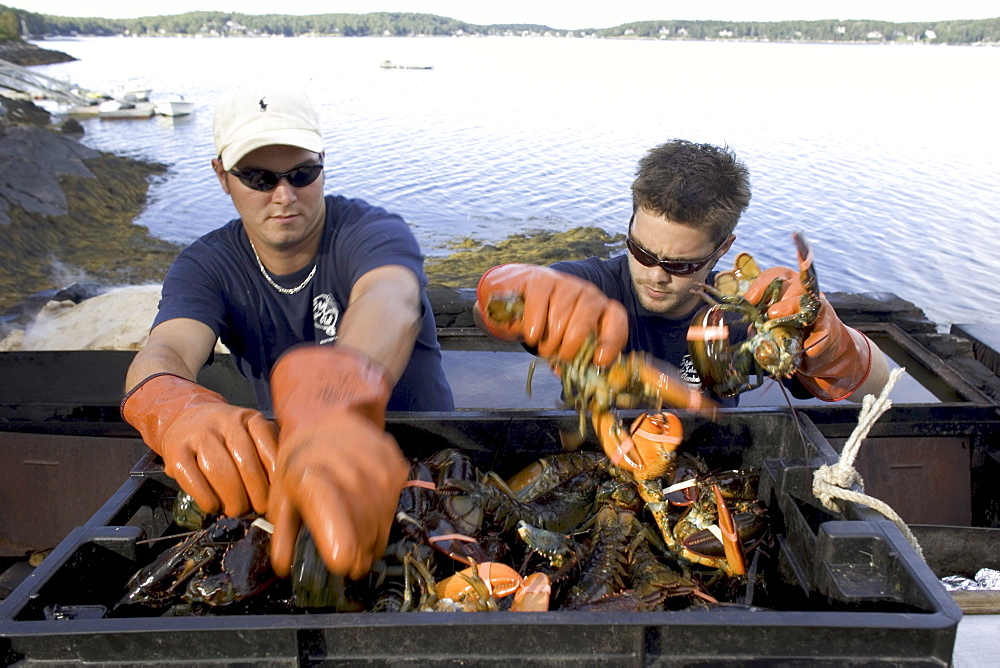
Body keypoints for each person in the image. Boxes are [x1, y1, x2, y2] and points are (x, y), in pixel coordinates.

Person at [121, 86, 454, 581]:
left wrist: (338, 402)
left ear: (323, 165)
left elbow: (391, 300)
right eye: (258, 177)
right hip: (301, 471)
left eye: (302, 173)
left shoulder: (372, 230)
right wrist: (174, 408)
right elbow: (165, 348)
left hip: (432, 464)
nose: (284, 194)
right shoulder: (206, 266)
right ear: (222, 177)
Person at [475, 139, 890, 409]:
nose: (656, 275)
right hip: (591, 459)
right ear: (631, 223)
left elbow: (879, 384)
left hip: (707, 477)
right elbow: (484, 313)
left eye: (680, 265)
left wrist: (834, 347)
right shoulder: (590, 287)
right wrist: (516, 287)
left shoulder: (741, 321)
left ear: (722, 249)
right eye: (640, 250)